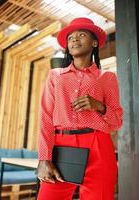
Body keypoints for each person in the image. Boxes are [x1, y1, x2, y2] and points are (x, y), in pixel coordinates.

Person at [36, 17, 123, 200]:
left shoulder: (107, 77)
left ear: (94, 42)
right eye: (70, 38)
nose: (74, 39)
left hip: (99, 147)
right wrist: (44, 158)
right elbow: (45, 119)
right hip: (61, 147)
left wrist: (99, 106)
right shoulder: (55, 76)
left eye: (81, 35)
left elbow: (116, 122)